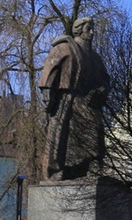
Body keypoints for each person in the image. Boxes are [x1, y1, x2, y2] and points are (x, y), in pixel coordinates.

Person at [39, 17, 110, 181]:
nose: (92, 32)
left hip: (89, 101)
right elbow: (51, 68)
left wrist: (103, 89)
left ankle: (90, 166)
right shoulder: (64, 48)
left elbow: (105, 79)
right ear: (78, 30)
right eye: (88, 28)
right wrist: (47, 90)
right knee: (62, 134)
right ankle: (58, 170)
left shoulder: (95, 57)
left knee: (95, 130)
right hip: (67, 98)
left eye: (92, 28)